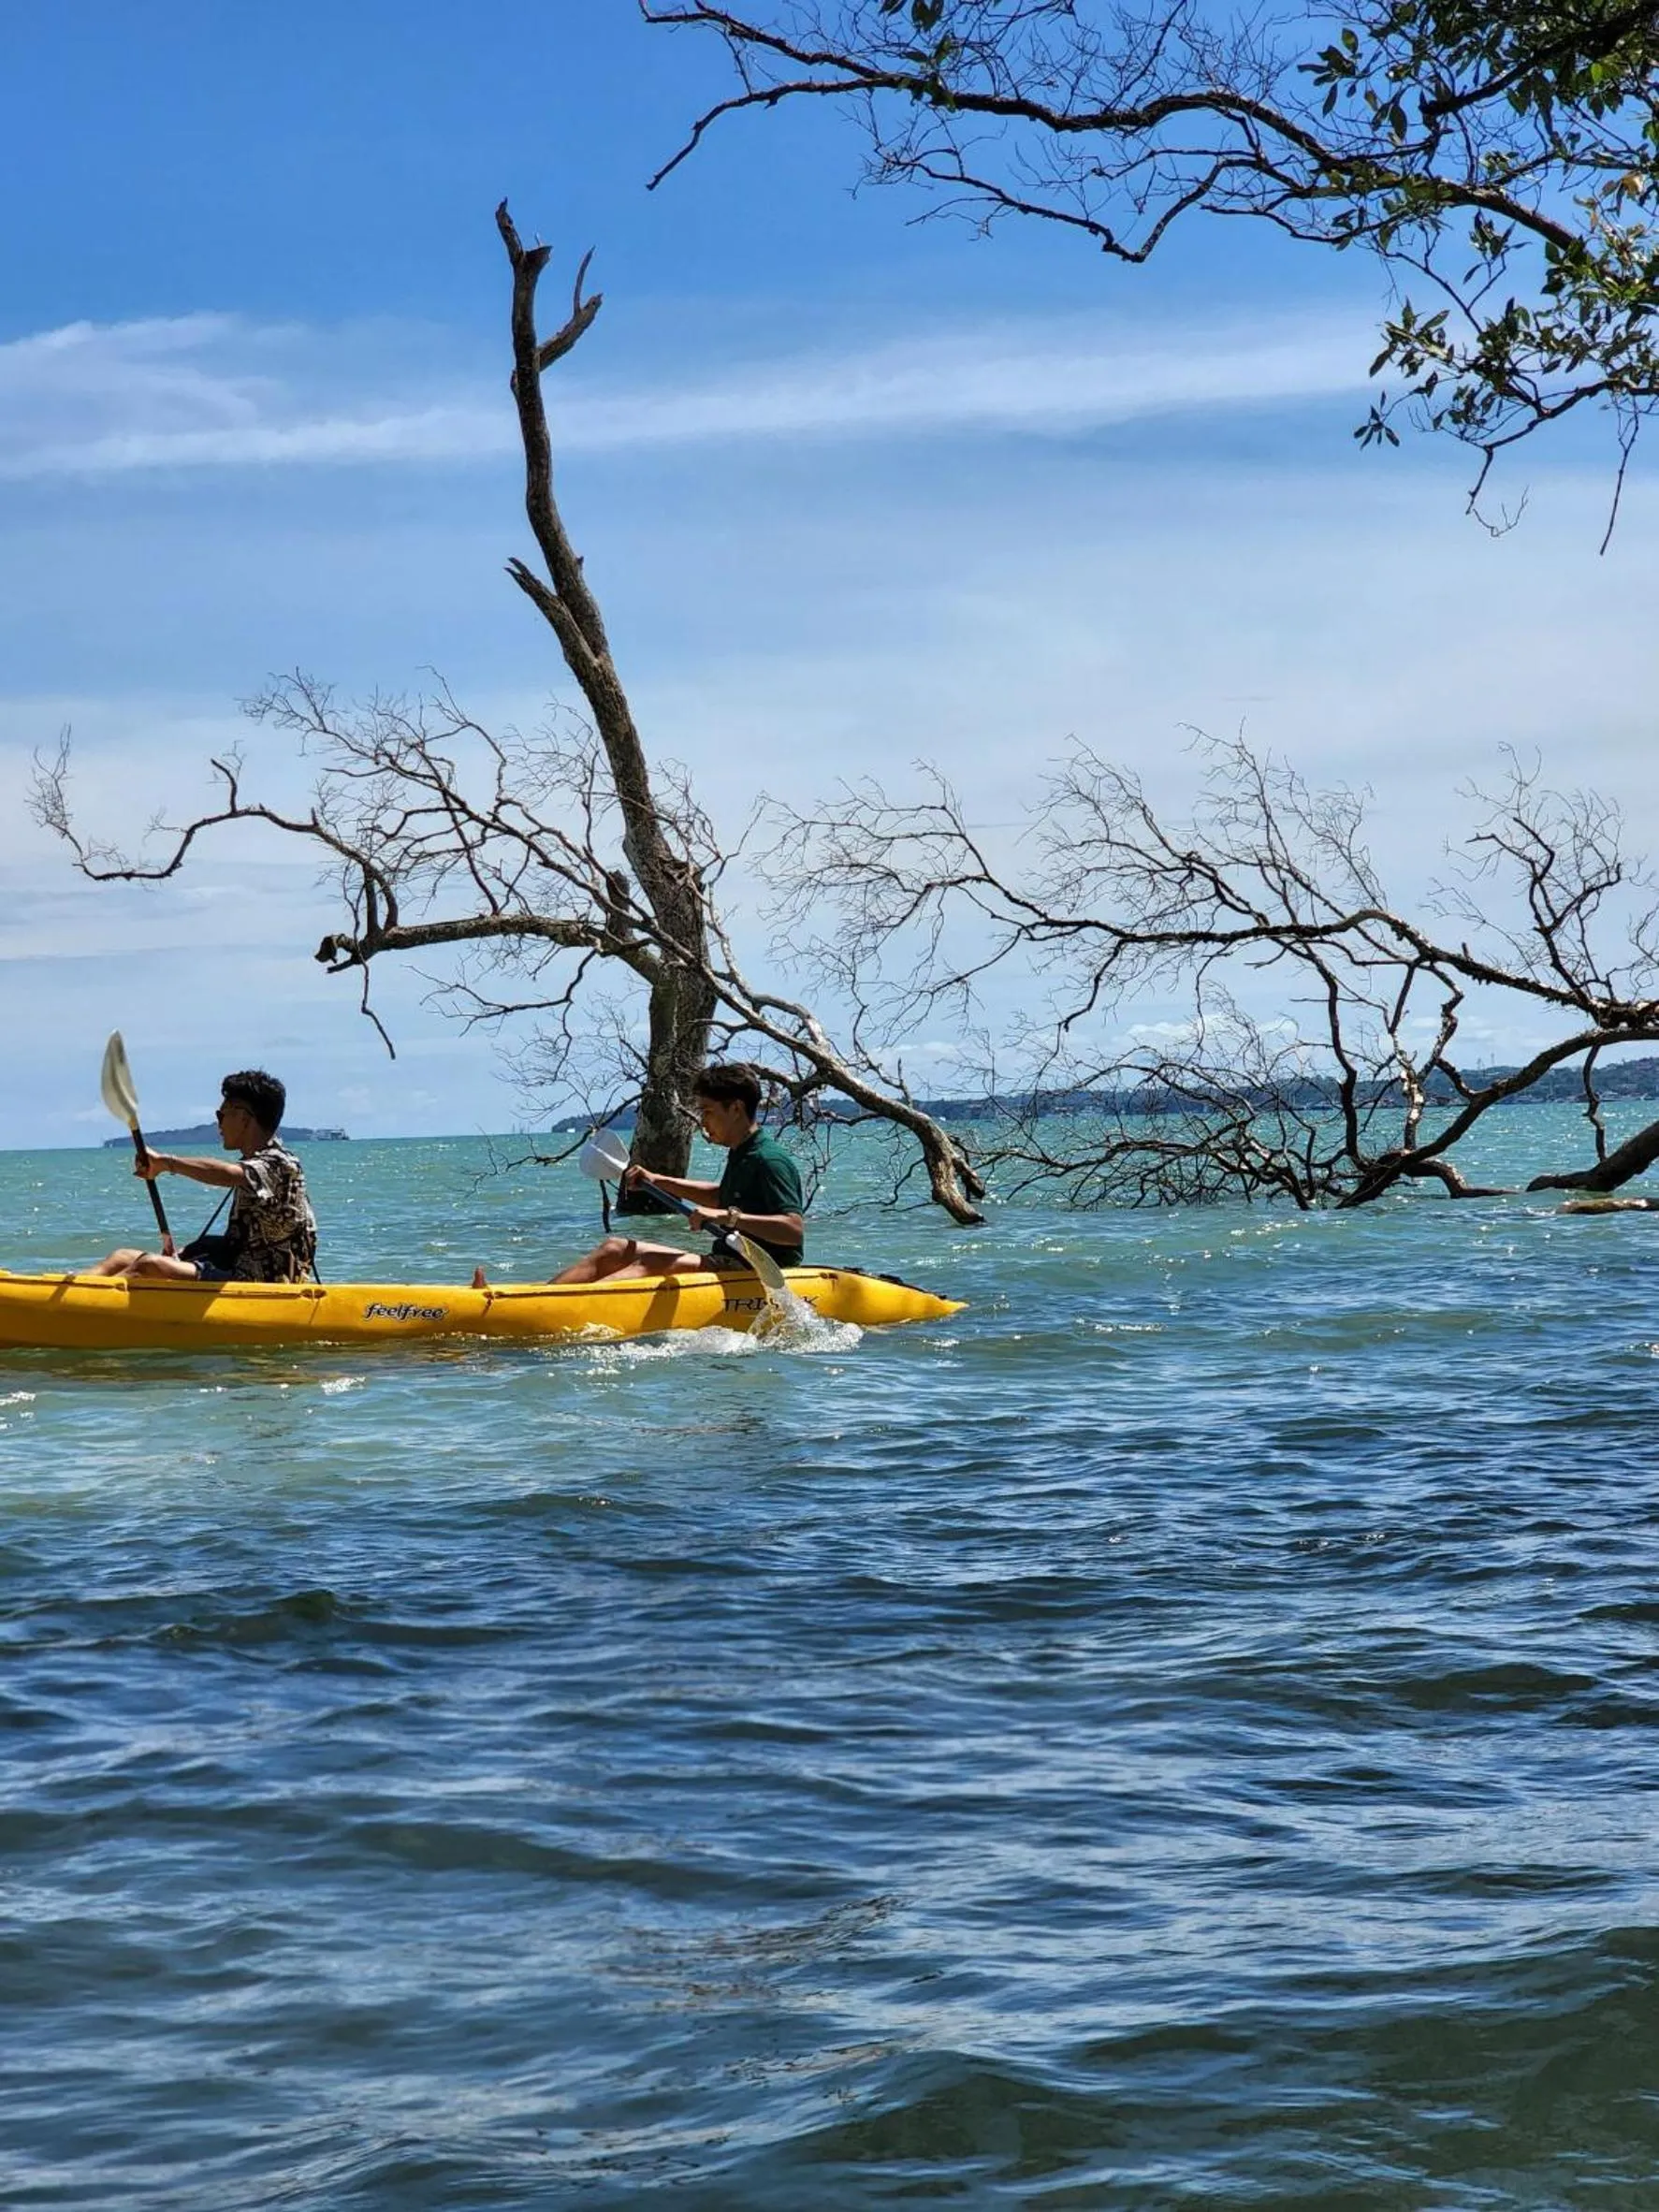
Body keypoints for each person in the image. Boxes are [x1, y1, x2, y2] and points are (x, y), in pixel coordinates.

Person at [475, 1062, 806, 1289]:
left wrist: (726, 1217)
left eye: (708, 1112)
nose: (703, 1121)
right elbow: (723, 1195)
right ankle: (534, 1299)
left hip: (757, 1270)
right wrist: (659, 1180)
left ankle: (550, 1309)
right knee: (615, 1248)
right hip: (730, 1258)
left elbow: (792, 1231)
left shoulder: (771, 1160)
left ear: (735, 1108)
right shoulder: (742, 1153)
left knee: (647, 1265)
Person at [90, 1069, 318, 1284]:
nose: (218, 1124)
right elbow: (235, 1243)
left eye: (222, 1114)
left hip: (266, 1279)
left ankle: (86, 1307)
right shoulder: (258, 1163)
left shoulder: (281, 1164)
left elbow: (228, 1173)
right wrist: (186, 1253)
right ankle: (62, 1296)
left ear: (244, 1118)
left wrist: (165, 1163)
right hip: (233, 1264)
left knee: (149, 1266)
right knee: (121, 1257)